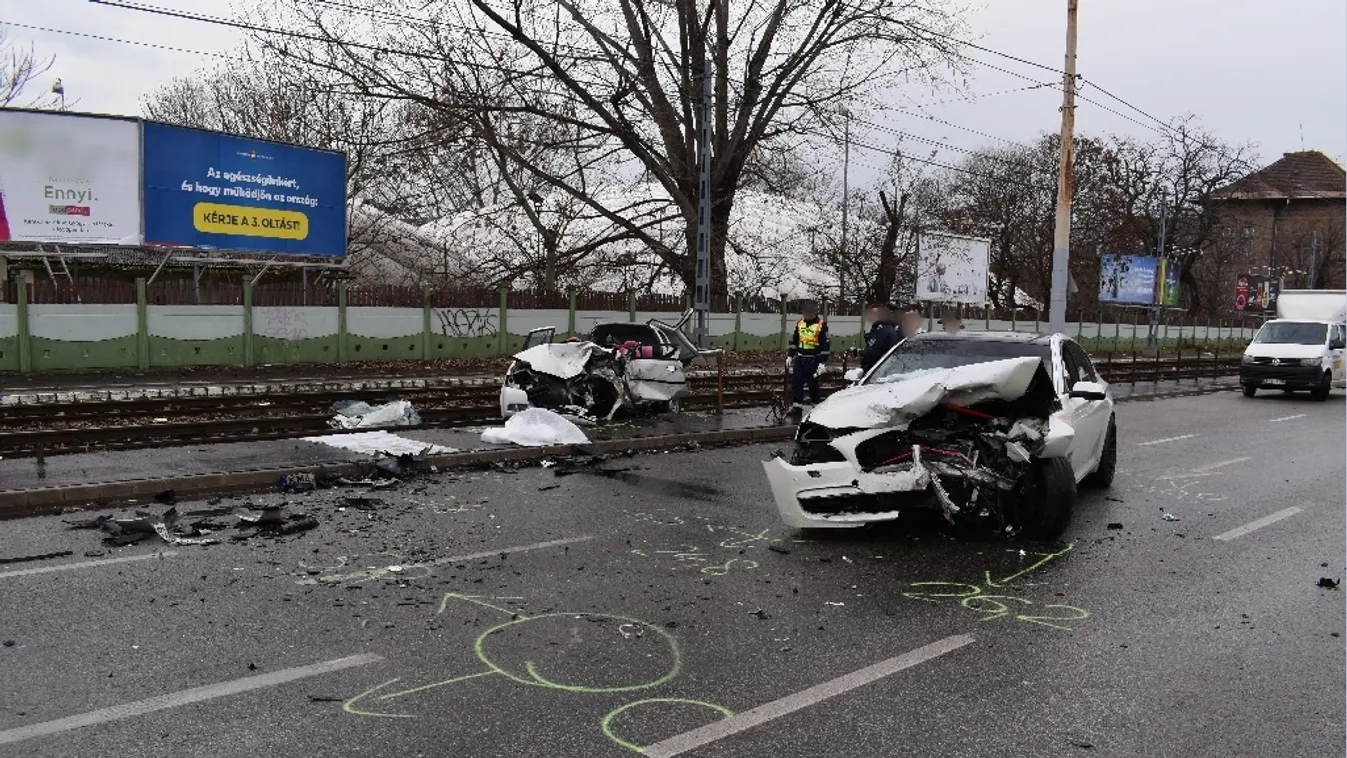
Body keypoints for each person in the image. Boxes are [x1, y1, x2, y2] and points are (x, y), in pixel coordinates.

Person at [787, 301, 830, 407]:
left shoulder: (821, 325)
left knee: (813, 383)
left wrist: (822, 362)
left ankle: (816, 404)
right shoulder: (800, 323)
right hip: (800, 358)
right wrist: (790, 355)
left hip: (813, 359)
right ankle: (797, 405)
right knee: (796, 382)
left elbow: (825, 345)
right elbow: (795, 341)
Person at [858, 302, 901, 373]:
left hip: (876, 370)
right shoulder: (892, 329)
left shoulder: (882, 330)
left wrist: (860, 353)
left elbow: (873, 353)